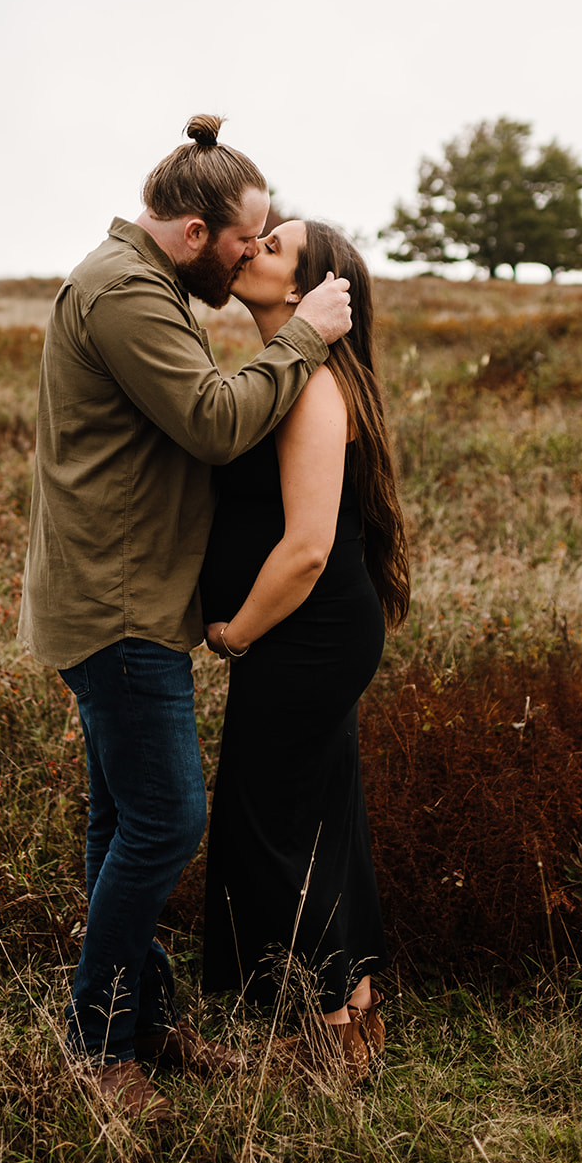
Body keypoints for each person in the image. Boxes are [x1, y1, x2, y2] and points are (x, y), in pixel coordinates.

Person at [19, 118, 353, 1124]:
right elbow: (211, 420)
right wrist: (303, 337)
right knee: (167, 820)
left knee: (123, 820)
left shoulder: (145, 285)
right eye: (247, 242)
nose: (254, 257)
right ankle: (96, 1046)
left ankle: (145, 1020)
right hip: (119, 607)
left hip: (125, 597)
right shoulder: (125, 291)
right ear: (197, 231)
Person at [200, 218, 410, 1080]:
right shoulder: (290, 373)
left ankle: (327, 1035)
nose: (248, 249)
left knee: (270, 828)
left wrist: (235, 630)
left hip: (305, 632)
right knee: (322, 820)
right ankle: (356, 1021)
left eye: (271, 246)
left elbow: (307, 548)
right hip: (313, 633)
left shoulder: (314, 387)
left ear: (303, 290)